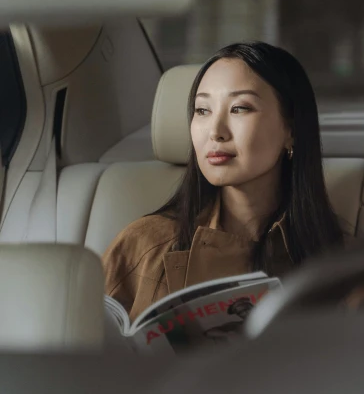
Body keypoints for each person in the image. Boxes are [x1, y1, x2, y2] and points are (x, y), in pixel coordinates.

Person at [103, 41, 345, 321]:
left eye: (240, 108)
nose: (215, 132)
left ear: (290, 129)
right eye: (202, 110)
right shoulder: (143, 244)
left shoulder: (342, 261)